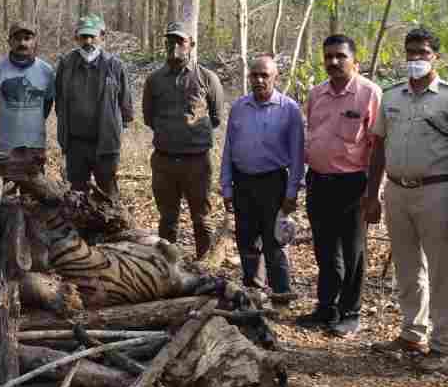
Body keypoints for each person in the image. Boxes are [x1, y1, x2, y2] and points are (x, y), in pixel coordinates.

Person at [364, 27, 448, 373]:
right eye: (411, 52)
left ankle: (443, 345)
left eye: (423, 53)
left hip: (438, 191)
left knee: (441, 269)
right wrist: (373, 195)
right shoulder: (392, 96)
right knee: (407, 266)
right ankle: (412, 331)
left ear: (436, 57)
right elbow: (379, 147)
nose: (415, 59)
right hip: (398, 190)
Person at [298, 35, 381, 336]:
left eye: (340, 56)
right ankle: (326, 307)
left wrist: (373, 194)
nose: (333, 62)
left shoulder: (369, 93)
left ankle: (350, 312)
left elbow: (377, 146)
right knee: (324, 249)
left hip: (353, 184)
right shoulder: (316, 94)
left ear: (353, 60)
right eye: (328, 56)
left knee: (353, 251)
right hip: (319, 181)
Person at [220, 54, 304, 306]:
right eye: (254, 75)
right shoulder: (239, 108)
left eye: (264, 75)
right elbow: (228, 149)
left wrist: (292, 192)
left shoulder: (289, 109)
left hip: (274, 183)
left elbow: (298, 155)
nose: (258, 80)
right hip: (243, 182)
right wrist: (226, 186)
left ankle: (280, 296)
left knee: (274, 241)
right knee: (246, 240)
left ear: (275, 77)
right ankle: (254, 294)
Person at [142, 22, 224, 260]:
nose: (175, 46)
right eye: (170, 41)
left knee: (201, 218)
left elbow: (216, 116)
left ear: (191, 45)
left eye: (181, 41)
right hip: (164, 161)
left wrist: (191, 136)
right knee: (167, 219)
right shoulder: (154, 80)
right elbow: (149, 118)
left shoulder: (207, 78)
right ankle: (168, 269)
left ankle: (205, 267)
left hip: (197, 162)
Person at [54, 15, 132, 198]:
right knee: (77, 195)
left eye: (93, 36)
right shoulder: (66, 64)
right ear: (76, 38)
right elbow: (59, 101)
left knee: (108, 195)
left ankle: (113, 227)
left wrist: (117, 131)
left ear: (102, 37)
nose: (88, 41)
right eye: (83, 37)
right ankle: (78, 227)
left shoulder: (115, 66)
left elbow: (125, 104)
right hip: (75, 145)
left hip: (105, 145)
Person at [0, 21, 55, 161]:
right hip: (3, 147)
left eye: (27, 38)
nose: (22, 43)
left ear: (34, 41)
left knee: (36, 182)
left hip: (34, 147)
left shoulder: (46, 71)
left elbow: (48, 102)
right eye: (17, 39)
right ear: (9, 41)